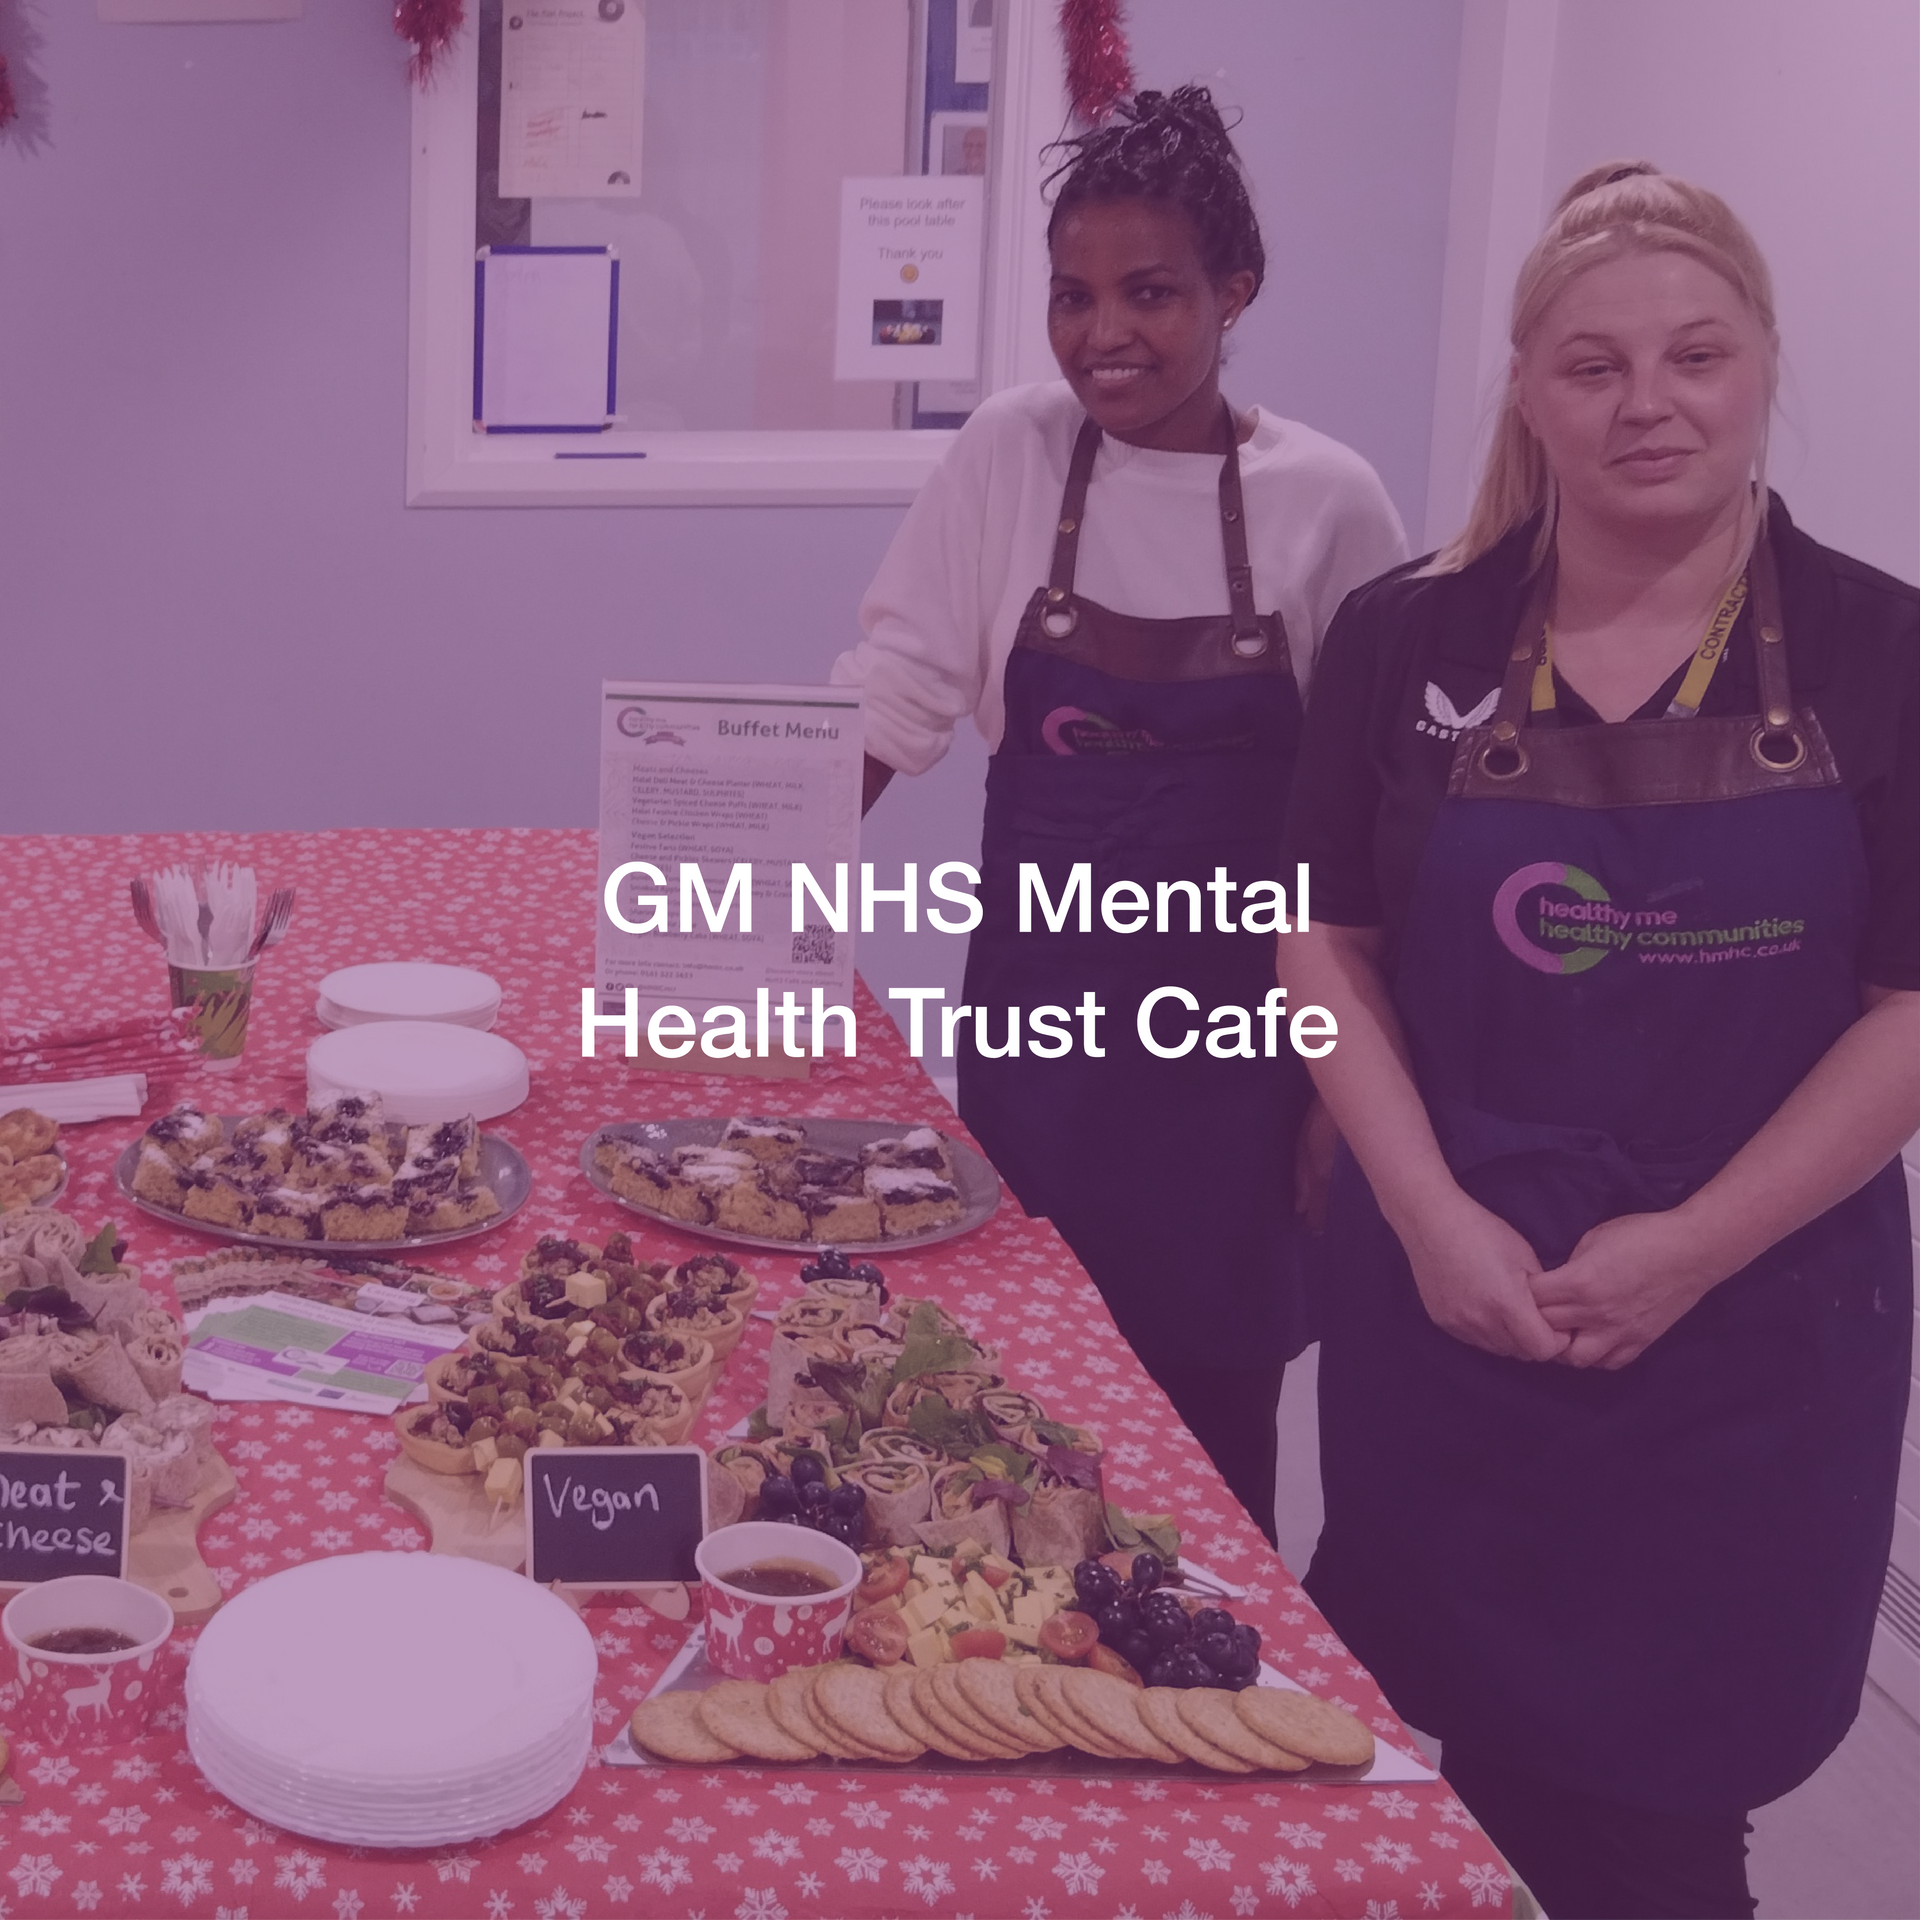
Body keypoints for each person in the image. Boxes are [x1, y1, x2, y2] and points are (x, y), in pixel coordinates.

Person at [1276, 161, 1919, 1917]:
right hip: (1454, 1294)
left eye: (1696, 356)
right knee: (1434, 1767)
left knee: (1658, 1827)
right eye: (1594, 366)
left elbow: (1909, 1011)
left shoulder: (1881, 650)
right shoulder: (1406, 635)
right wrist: (1425, 1217)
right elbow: (1320, 941)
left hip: (1752, 1325)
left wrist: (1693, 1247)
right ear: (1527, 392)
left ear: (1763, 365)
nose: (1649, 403)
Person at [835, 88, 1406, 1537]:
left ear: (1234, 291)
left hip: (1242, 1064)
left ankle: (1211, 1666)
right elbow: (895, 695)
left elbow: (1380, 824)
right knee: (1013, 1411)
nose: (1105, 334)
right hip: (1042, 1044)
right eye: (1072, 296)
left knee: (1208, 1451)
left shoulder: (1329, 502)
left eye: (1150, 293)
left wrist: (1349, 1094)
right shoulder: (1011, 453)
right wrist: (734, 887)